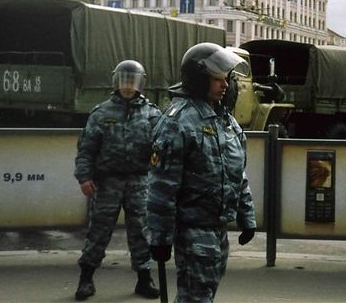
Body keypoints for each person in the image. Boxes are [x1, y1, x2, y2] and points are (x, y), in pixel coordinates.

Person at [147, 42, 256, 302]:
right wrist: (160, 236)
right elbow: (162, 185)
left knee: (206, 289)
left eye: (225, 78)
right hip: (192, 227)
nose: (225, 85)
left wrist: (246, 215)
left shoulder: (225, 120)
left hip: (217, 226)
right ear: (198, 79)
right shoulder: (178, 121)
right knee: (196, 295)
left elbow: (237, 172)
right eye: (216, 78)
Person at [74, 60, 162, 300]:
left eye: (132, 80)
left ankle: (144, 279)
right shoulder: (102, 113)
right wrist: (84, 177)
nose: (127, 85)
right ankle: (86, 280)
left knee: (141, 233)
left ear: (140, 83)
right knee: (98, 231)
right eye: (124, 79)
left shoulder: (152, 114)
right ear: (116, 81)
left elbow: (162, 150)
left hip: (139, 182)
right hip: (108, 182)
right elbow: (86, 149)